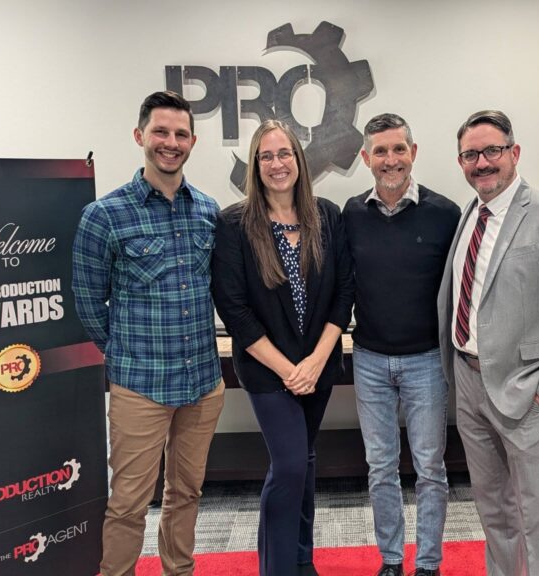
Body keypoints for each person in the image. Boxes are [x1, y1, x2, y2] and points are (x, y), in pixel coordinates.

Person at [72, 90, 225, 576]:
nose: (170, 142)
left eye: (181, 134)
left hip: (202, 382)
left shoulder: (208, 210)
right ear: (140, 136)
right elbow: (87, 302)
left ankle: (179, 570)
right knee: (128, 502)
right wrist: (124, 353)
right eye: (161, 131)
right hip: (140, 387)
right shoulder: (104, 215)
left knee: (187, 493)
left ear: (193, 142)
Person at [437, 110, 539, 576]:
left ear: (514, 152)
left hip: (525, 388)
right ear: (460, 162)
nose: (482, 162)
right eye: (471, 154)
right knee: (493, 507)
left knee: (534, 510)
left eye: (492, 150)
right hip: (469, 382)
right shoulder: (470, 214)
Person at [212, 119, 354, 576]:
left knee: (304, 462)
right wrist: (289, 369)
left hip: (318, 366)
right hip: (266, 371)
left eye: (284, 153)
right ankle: (278, 568)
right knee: (290, 465)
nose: (277, 164)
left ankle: (301, 560)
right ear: (256, 165)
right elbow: (234, 309)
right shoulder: (234, 224)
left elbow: (344, 293)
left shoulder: (327, 216)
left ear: (299, 159)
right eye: (267, 156)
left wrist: (315, 362)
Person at [343, 113, 461, 576]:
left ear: (413, 152)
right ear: (365, 157)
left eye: (398, 149)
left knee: (430, 468)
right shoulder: (351, 214)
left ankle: (428, 564)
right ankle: (391, 561)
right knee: (380, 468)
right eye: (380, 151)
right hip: (369, 358)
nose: (390, 159)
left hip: (426, 361)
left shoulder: (446, 214)